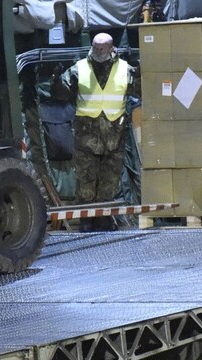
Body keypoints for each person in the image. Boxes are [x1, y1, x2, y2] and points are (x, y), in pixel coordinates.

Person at [51, 32, 140, 232]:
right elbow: (61, 93)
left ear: (111, 48)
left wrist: (142, 74)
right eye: (95, 47)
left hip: (114, 137)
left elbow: (139, 91)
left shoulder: (125, 70)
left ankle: (104, 221)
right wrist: (56, 80)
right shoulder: (79, 69)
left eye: (102, 48)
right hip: (86, 139)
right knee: (85, 183)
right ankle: (86, 222)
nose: (98, 51)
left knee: (109, 183)